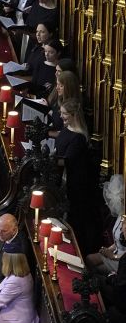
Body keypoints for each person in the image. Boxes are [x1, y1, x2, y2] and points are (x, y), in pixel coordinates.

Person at [55, 99, 102, 254]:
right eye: (61, 113)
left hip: (75, 184)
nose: (61, 117)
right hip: (65, 178)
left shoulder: (79, 137)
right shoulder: (66, 128)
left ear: (74, 115)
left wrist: (50, 160)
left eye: (64, 114)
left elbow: (67, 161)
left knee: (74, 219)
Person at [87, 175, 125, 274]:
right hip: (114, 254)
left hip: (122, 261)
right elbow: (117, 242)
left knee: (97, 269)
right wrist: (106, 250)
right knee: (89, 259)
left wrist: (112, 256)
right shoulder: (121, 214)